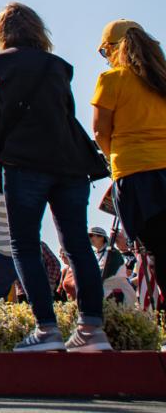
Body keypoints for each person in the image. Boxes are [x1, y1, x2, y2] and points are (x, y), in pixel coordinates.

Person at [0, 2, 110, 352]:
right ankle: (92, 329)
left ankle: (46, 328)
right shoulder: (58, 67)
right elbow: (66, 112)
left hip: (25, 161)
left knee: (24, 244)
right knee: (77, 246)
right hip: (70, 163)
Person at [92, 19, 166, 307]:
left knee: (156, 252)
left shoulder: (111, 80)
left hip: (136, 176)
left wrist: (113, 162)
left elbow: (100, 132)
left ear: (113, 48)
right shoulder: (161, 79)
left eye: (104, 51)